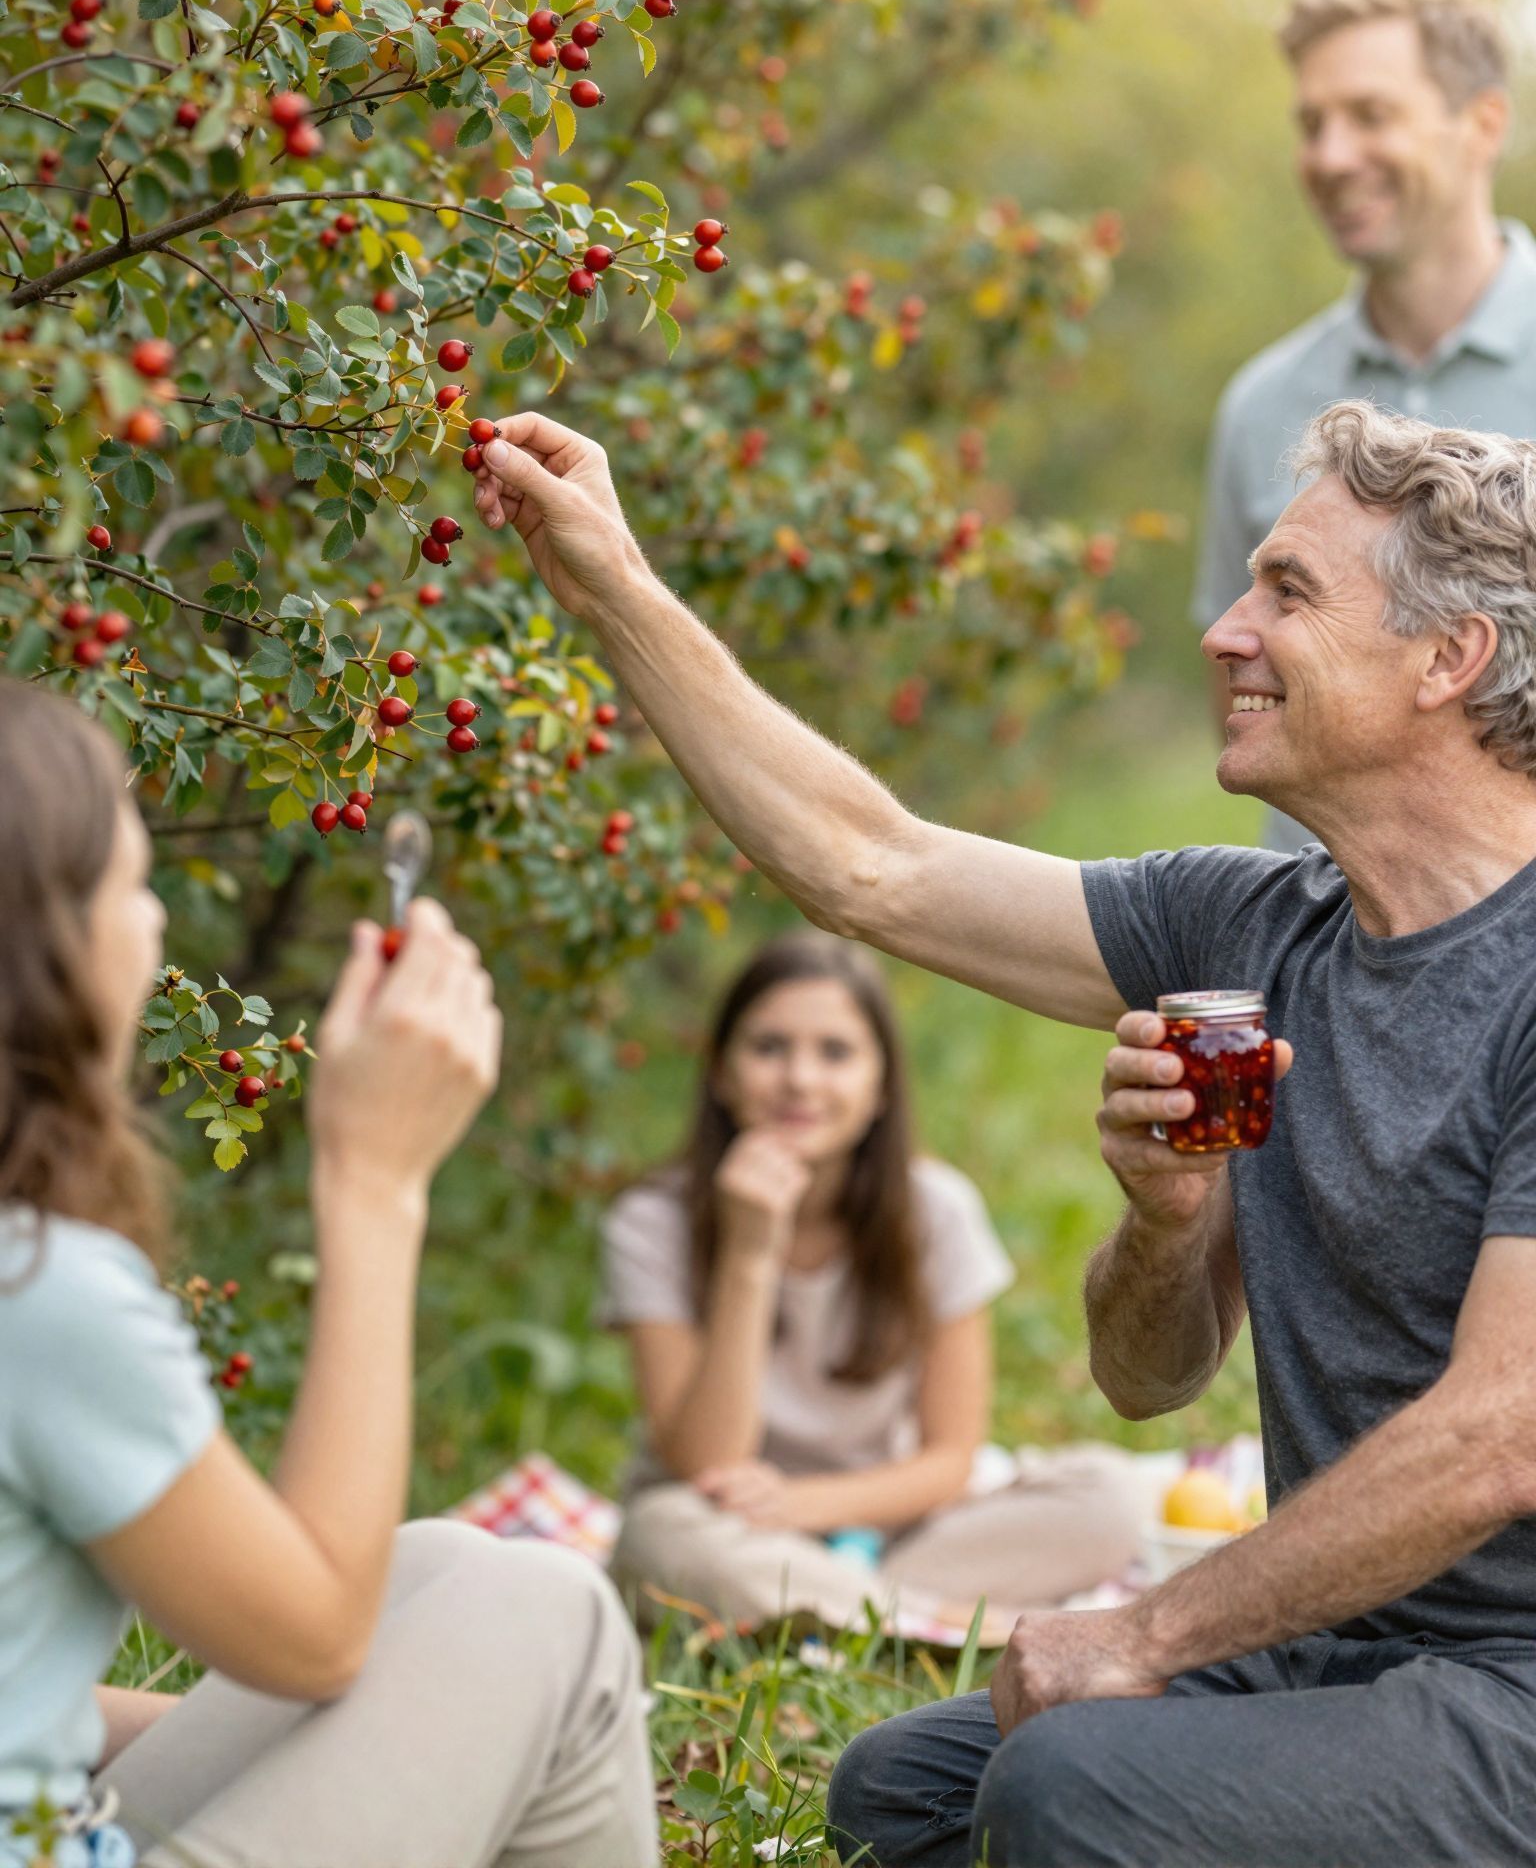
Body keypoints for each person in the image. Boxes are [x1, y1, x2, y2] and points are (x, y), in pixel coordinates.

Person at [467, 394, 1536, 1866]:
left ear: (1449, 657)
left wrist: (1151, 1629)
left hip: (1516, 1699)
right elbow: (874, 870)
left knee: (1062, 1788)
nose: (1225, 630)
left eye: (1285, 591)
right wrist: (613, 585)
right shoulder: (1246, 932)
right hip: (1336, 1646)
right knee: (906, 1788)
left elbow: (1500, 1437)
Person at [0, 682, 657, 1868]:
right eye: (135, 885)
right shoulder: (37, 1287)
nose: (153, 929)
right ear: (44, 941)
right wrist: (375, 1183)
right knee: (549, 1616)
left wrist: (362, 1740)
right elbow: (314, 1638)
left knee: (448, 1572)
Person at [603, 932, 1149, 1644]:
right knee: (656, 1535)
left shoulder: (936, 1211)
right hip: (722, 1527)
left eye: (835, 1052)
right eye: (768, 1048)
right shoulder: (652, 1222)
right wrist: (748, 1254)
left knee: (1107, 1497)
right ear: (721, 1073)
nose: (800, 1079)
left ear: (880, 1086)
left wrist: (803, 1506)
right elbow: (708, 1464)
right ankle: (937, 1627)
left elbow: (951, 1458)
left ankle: (835, 1617)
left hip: (889, 1526)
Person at [1193, 0, 1536, 850]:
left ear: (1483, 125)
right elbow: (1241, 704)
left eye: (1371, 115)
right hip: (1332, 962)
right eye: (1312, 124)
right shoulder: (1262, 403)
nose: (1332, 155)